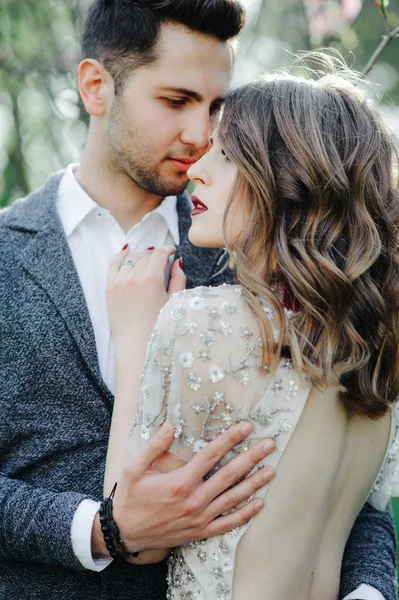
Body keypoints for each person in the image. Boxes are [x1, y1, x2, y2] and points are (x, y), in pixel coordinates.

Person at [0, 0, 395, 596]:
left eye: (217, 107)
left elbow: (347, 491)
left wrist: (370, 592)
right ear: (96, 87)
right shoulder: (6, 257)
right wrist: (96, 530)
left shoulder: (267, 248)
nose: (200, 135)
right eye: (176, 101)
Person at [104, 58, 399, 600]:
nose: (197, 168)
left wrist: (133, 342)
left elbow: (137, 533)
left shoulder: (200, 322)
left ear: (289, 179)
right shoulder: (377, 343)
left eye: (225, 154)